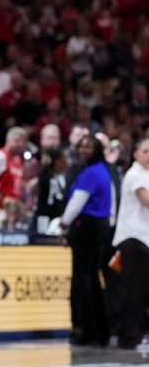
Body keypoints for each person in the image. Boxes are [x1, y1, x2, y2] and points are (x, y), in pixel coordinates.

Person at [59, 133, 112, 346]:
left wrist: (64, 224)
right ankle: (102, 330)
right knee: (93, 277)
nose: (83, 150)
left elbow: (77, 202)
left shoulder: (90, 173)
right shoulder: (103, 171)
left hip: (87, 227)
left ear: (97, 150)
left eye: (88, 147)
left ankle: (87, 331)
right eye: (81, 146)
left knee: (82, 279)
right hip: (101, 226)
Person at [111, 138, 149, 350]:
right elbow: (146, 200)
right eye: (145, 151)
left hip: (144, 238)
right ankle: (129, 336)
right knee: (133, 291)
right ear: (135, 154)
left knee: (141, 291)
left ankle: (138, 334)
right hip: (133, 239)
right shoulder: (135, 174)